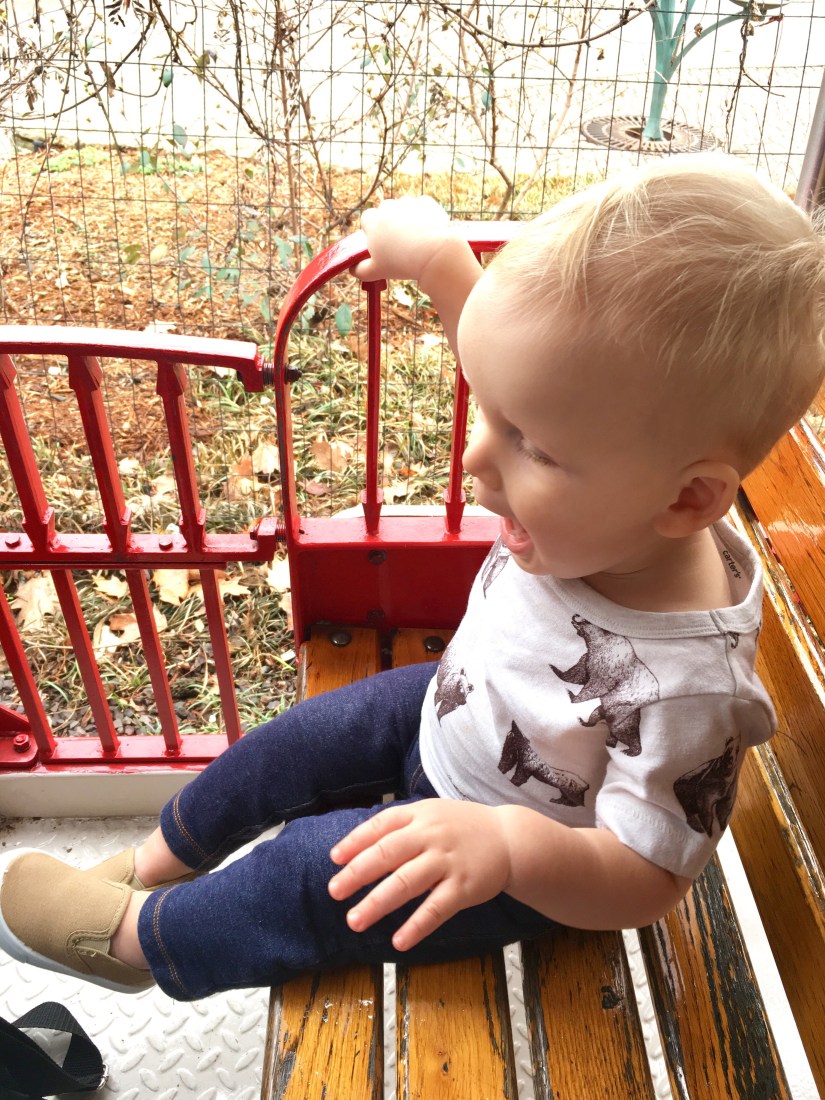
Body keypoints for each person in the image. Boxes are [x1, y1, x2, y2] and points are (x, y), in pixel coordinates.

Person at [1, 156, 824, 1001]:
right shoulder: (618, 498)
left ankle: (135, 943)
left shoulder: (690, 688)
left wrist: (508, 850)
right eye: (494, 416)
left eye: (531, 447)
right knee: (295, 743)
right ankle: (149, 865)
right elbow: (528, 368)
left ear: (688, 498)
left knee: (310, 875)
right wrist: (438, 262)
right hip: (455, 709)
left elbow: (647, 877)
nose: (476, 457)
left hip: (502, 866)